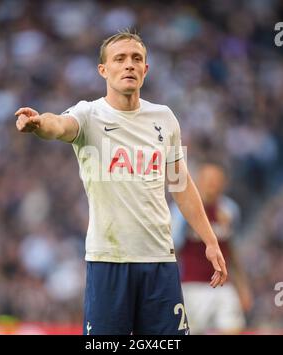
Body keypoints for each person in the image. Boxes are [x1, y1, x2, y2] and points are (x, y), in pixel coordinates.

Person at [15, 30, 227, 335]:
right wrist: (38, 124)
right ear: (104, 70)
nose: (129, 64)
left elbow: (180, 184)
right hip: (108, 261)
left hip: (159, 261)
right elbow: (59, 125)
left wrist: (210, 240)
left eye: (136, 58)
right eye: (120, 58)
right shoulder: (89, 114)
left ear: (146, 69)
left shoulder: (165, 118)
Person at [171, 162, 253, 334]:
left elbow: (232, 252)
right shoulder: (181, 212)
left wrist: (243, 287)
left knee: (233, 328)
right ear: (198, 181)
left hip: (223, 286)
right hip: (191, 286)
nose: (212, 185)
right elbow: (172, 251)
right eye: (208, 180)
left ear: (224, 183)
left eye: (216, 180)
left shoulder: (229, 210)